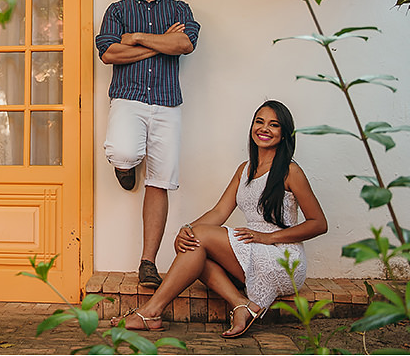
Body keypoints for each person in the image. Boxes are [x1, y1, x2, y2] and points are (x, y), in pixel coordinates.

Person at [109, 100, 328, 337]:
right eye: (259, 122)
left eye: (273, 125)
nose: (264, 129)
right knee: (193, 245)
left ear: (284, 134)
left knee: (198, 238)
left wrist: (268, 237)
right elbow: (219, 212)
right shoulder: (245, 169)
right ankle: (240, 305)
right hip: (253, 246)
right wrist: (187, 228)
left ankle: (150, 312)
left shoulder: (290, 171)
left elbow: (318, 223)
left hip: (283, 257)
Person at [95, 0, 200, 288]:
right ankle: (125, 167)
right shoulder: (118, 10)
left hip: (168, 102)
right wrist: (160, 45)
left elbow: (183, 46)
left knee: (160, 180)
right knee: (124, 150)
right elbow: (109, 53)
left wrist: (137, 39)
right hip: (129, 98)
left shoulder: (179, 9)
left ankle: (148, 263)